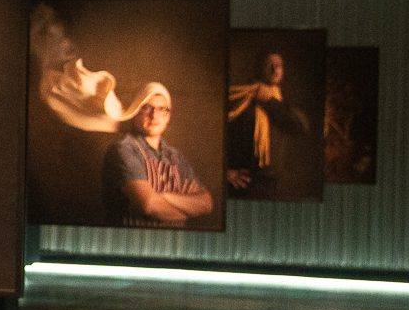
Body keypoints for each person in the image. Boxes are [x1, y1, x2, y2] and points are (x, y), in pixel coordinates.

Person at [101, 83, 212, 226]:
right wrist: (187, 211)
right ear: (135, 111)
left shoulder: (175, 156)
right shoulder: (123, 150)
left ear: (168, 116)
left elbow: (206, 203)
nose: (154, 115)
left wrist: (164, 197)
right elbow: (148, 205)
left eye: (162, 109)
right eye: (146, 108)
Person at [226, 51, 309, 198]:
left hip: (274, 184)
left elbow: (300, 127)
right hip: (243, 183)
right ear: (259, 68)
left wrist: (268, 101)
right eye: (269, 65)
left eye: (279, 65)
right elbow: (218, 134)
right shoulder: (241, 100)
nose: (274, 69)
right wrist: (225, 171)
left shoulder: (283, 102)